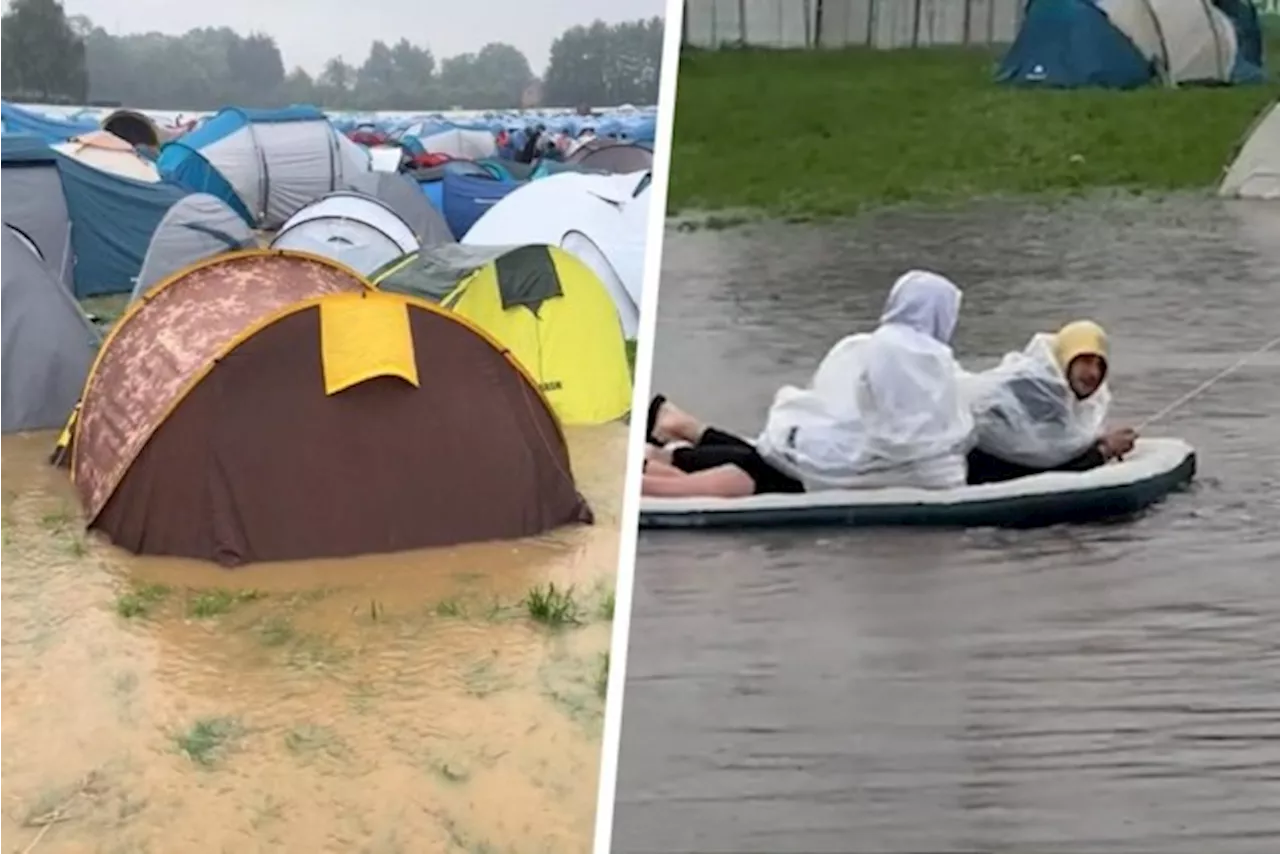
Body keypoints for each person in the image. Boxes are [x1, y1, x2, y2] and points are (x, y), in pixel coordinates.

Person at [642, 270, 976, 498]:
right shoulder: (921, 358)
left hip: (830, 448)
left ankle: (658, 456)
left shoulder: (868, 344)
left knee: (755, 463)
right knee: (754, 474)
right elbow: (910, 436)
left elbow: (837, 400)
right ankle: (648, 471)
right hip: (845, 461)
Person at [961, 319, 1137, 485]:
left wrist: (1098, 441)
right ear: (1065, 360)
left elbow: (1060, 448)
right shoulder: (1031, 391)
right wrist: (1103, 453)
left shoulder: (1071, 400)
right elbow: (1041, 471)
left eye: (1100, 365)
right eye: (1085, 361)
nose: (1093, 373)